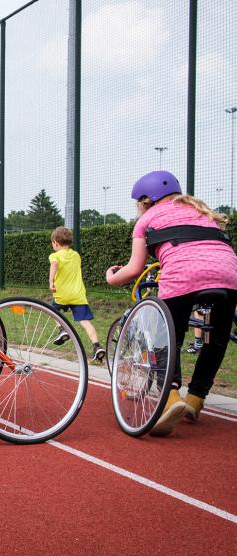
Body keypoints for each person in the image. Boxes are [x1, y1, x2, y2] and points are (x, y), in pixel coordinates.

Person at [106, 171, 237, 436]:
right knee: (217, 340)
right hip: (229, 275)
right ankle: (196, 399)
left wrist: (111, 278)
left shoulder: (147, 219)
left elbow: (133, 269)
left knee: (166, 337)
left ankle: (171, 396)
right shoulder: (204, 212)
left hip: (183, 277)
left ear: (146, 200)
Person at [48, 226, 105, 362]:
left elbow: (54, 265)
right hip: (78, 295)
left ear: (55, 242)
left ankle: (62, 330)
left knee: (53, 311)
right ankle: (97, 346)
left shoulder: (55, 256)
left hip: (62, 294)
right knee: (85, 322)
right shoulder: (76, 255)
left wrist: (51, 282)